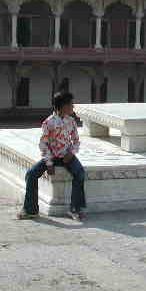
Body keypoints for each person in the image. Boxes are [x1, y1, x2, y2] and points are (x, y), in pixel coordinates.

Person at [17, 91, 86, 221]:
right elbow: (44, 144)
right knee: (31, 174)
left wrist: (71, 153)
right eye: (71, 104)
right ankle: (31, 210)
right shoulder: (48, 123)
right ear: (63, 106)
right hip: (52, 157)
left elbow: (76, 140)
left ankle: (75, 209)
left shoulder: (71, 121)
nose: (73, 106)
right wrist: (48, 163)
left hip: (67, 156)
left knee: (80, 173)